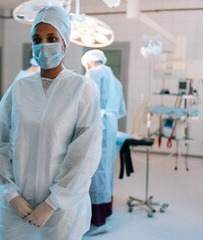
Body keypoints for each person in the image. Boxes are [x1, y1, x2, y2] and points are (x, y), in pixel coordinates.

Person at [0, 6, 102, 240]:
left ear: (64, 43)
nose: (44, 45)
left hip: (61, 211)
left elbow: (85, 152)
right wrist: (10, 195)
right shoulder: (19, 89)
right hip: (18, 206)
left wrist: (53, 202)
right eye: (37, 39)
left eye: (52, 38)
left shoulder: (82, 89)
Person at [81, 49, 127, 235]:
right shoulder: (115, 79)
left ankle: (98, 221)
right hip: (111, 125)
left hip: (98, 125)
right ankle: (106, 210)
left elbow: (86, 101)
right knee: (106, 169)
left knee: (96, 170)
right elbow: (122, 109)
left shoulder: (93, 73)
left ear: (89, 63)